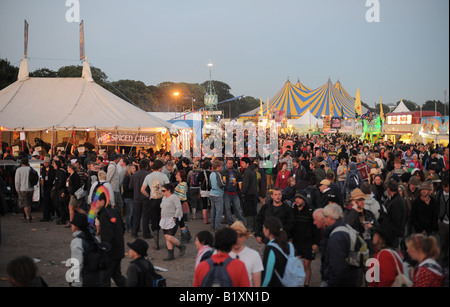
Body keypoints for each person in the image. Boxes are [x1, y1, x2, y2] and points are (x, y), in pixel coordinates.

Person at [322, 203, 360, 287]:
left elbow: (337, 266)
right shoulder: (348, 230)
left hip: (340, 282)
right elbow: (354, 260)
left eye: (325, 216)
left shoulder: (337, 237)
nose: (323, 219)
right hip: (351, 278)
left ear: (330, 217)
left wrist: (331, 282)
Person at [95, 192, 127, 287]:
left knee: (105, 277)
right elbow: (122, 227)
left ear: (103, 201)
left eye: (96, 201)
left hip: (111, 252)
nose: (94, 204)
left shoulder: (105, 215)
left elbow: (108, 236)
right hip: (118, 249)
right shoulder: (113, 211)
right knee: (116, 275)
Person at [291, 193, 321, 287]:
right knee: (296, 265)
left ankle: (306, 284)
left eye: (300, 198)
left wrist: (316, 243)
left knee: (306, 265)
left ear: (304, 200)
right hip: (295, 242)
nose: (297, 200)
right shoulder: (292, 211)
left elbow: (317, 228)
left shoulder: (310, 211)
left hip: (308, 242)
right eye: (296, 198)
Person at [69, 212, 103, 287]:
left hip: (84, 281)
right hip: (97, 279)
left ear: (76, 226)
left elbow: (77, 265)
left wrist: (74, 283)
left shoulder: (77, 242)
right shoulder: (95, 238)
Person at [141, 160, 169, 245]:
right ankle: (168, 238)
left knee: (154, 220)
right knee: (165, 218)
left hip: (152, 200)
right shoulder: (164, 176)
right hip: (163, 199)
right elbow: (168, 188)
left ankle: (156, 241)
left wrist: (148, 196)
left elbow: (142, 190)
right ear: (160, 167)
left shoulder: (148, 176)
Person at [369, 222, 406, 287]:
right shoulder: (389, 252)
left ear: (382, 238)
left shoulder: (385, 255)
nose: (374, 235)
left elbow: (387, 280)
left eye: (376, 233)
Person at [260, 216, 294, 287]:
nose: (263, 230)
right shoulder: (290, 246)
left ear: (268, 230)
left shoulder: (270, 248)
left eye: (263, 227)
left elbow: (267, 275)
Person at [229, 221, 264, 287]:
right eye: (234, 235)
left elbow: (257, 283)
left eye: (240, 235)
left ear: (245, 237)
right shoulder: (221, 254)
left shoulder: (254, 255)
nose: (237, 239)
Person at [159, 183, 186, 261]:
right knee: (167, 237)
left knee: (169, 237)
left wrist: (176, 217)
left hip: (172, 219)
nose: (162, 192)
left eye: (164, 190)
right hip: (164, 219)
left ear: (169, 190)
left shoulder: (174, 197)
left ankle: (181, 246)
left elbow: (178, 207)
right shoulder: (164, 198)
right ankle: (170, 255)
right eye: (162, 190)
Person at [380, 180, 407, 249]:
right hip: (394, 234)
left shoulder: (396, 202)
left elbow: (395, 221)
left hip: (395, 235)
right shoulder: (394, 200)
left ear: (388, 189)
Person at [129, 159, 150, 239]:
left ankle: (135, 232)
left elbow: (130, 186)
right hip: (145, 197)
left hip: (136, 197)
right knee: (145, 216)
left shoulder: (135, 175)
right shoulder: (148, 175)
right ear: (146, 166)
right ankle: (146, 233)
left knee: (136, 216)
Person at [221, 157, 244, 226]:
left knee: (238, 209)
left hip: (235, 193)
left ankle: (241, 223)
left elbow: (240, 179)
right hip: (227, 193)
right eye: (229, 163)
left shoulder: (236, 171)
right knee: (227, 210)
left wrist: (237, 183)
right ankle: (231, 224)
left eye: (231, 163)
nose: (230, 165)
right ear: (226, 164)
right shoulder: (223, 172)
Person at [14, 157, 35, 223]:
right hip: (31, 188)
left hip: (23, 189)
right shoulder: (31, 169)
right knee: (29, 203)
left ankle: (28, 217)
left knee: (25, 204)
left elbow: (17, 181)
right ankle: (29, 215)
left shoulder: (19, 170)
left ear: (21, 163)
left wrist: (17, 189)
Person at [240, 157, 258, 232]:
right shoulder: (253, 170)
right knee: (253, 210)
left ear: (247, 164)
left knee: (249, 211)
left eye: (243, 163)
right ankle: (254, 226)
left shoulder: (247, 172)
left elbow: (245, 185)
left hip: (249, 194)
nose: (242, 165)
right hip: (254, 193)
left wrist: (242, 192)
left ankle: (250, 227)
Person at [209, 159, 225, 231]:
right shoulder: (218, 174)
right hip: (218, 194)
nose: (221, 167)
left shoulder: (211, 174)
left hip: (212, 193)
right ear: (218, 167)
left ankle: (213, 224)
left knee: (213, 210)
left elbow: (210, 184)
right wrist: (225, 183)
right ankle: (217, 226)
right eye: (221, 166)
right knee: (219, 211)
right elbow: (221, 184)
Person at [67, 163, 84, 228]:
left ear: (71, 168)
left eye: (68, 168)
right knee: (75, 208)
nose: (67, 169)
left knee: (71, 207)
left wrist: (73, 193)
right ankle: (84, 216)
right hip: (72, 193)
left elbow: (77, 185)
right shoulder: (72, 175)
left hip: (74, 194)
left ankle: (71, 222)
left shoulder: (75, 175)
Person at [436, 178, 449, 268]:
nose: (445, 188)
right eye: (444, 186)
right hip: (442, 223)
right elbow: (437, 206)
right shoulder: (439, 194)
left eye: (447, 186)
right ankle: (443, 263)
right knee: (443, 243)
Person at [40, 156, 56, 222]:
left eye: (46, 162)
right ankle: (46, 216)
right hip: (45, 187)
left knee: (50, 202)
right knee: (46, 202)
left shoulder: (52, 169)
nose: (44, 164)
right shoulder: (43, 169)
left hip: (51, 187)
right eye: (44, 162)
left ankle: (50, 215)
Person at [122, 164, 136, 233]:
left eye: (135, 168)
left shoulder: (132, 177)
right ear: (129, 169)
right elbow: (125, 187)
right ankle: (129, 227)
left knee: (132, 212)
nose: (135, 169)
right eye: (133, 168)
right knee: (130, 213)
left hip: (131, 196)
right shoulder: (127, 177)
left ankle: (132, 226)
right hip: (128, 197)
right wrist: (133, 188)